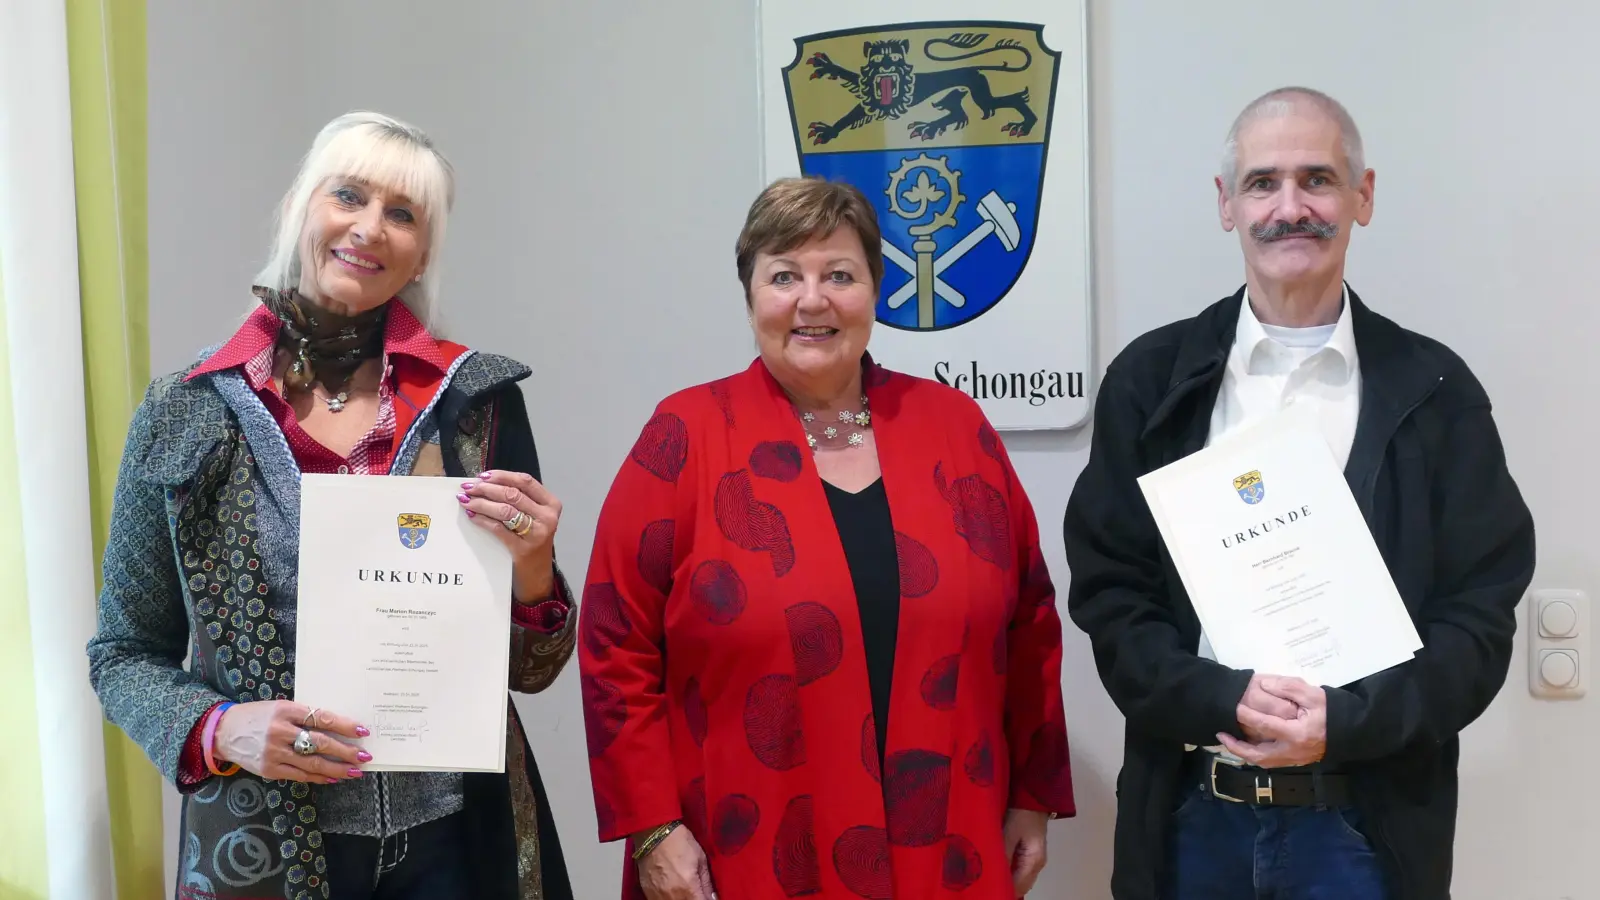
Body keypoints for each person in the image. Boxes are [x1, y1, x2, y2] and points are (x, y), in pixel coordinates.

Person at [86, 111, 577, 900]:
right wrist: (219, 729)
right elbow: (122, 653)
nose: (370, 228)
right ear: (296, 207)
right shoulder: (183, 411)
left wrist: (533, 567)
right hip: (259, 846)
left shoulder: (476, 401)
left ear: (421, 253)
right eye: (348, 195)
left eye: (403, 214)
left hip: (457, 846)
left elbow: (531, 670)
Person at [1063, 86, 1536, 900]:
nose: (1291, 207)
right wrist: (1222, 697)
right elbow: (1112, 594)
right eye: (1263, 183)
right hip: (1188, 819)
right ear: (1226, 205)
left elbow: (1479, 618)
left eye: (1317, 179)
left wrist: (1345, 724)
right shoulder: (1150, 382)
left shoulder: (1435, 390)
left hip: (1363, 829)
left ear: (1364, 195)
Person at [577, 176, 1075, 899]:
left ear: (875, 290)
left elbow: (1030, 622)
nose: (813, 301)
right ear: (751, 295)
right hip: (743, 848)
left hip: (945, 838)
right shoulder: (684, 436)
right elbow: (613, 641)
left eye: (839, 275)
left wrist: (1032, 795)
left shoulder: (954, 429)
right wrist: (652, 825)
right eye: (785, 276)